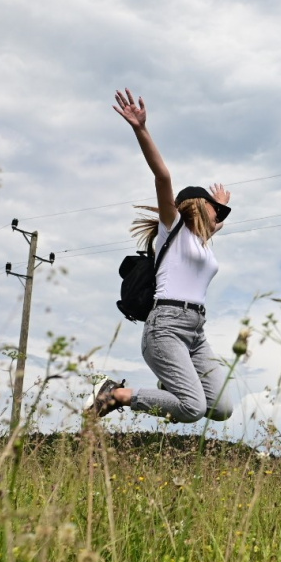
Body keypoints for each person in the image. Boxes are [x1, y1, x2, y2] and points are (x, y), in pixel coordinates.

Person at [88, 89, 234, 424]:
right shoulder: (175, 228)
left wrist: (221, 200)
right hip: (166, 325)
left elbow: (217, 225)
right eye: (216, 210)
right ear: (198, 207)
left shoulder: (201, 243)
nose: (220, 216)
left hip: (196, 331)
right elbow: (163, 176)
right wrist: (141, 129)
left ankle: (169, 385)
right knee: (192, 408)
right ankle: (115, 393)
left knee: (221, 408)